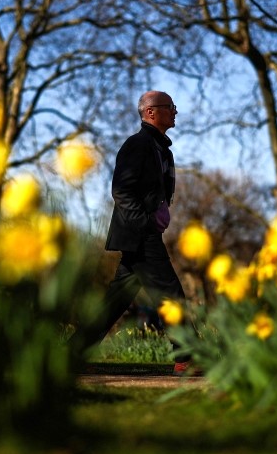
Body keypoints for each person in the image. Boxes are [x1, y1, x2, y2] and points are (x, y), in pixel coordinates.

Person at [81, 90, 194, 375]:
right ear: (151, 112)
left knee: (116, 299)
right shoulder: (138, 145)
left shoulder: (160, 148)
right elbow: (121, 190)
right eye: (171, 106)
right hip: (140, 236)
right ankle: (188, 357)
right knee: (170, 294)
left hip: (141, 235)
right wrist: (144, 224)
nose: (176, 111)